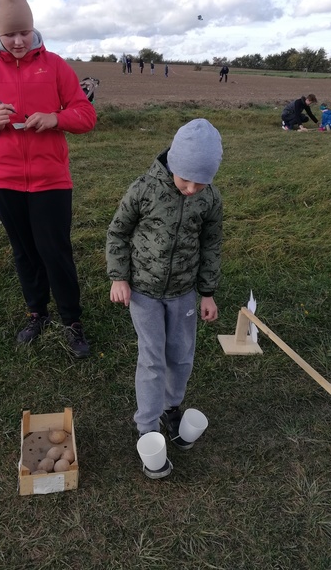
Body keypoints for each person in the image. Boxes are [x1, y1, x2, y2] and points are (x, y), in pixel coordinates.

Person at [0, 0, 97, 357]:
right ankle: (37, 313)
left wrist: (56, 118)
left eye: (24, 32)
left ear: (33, 28)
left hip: (51, 178)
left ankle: (72, 320)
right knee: (25, 251)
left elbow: (86, 115)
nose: (18, 41)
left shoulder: (55, 65)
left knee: (55, 251)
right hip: (2, 180)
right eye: (9, 34)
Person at [106, 118, 223, 479]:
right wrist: (119, 277)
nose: (191, 188)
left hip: (183, 293)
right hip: (143, 292)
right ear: (173, 163)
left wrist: (207, 293)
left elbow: (211, 245)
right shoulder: (144, 189)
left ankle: (172, 408)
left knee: (181, 355)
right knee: (153, 358)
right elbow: (117, 232)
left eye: (200, 182)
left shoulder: (210, 199)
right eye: (185, 179)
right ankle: (147, 427)